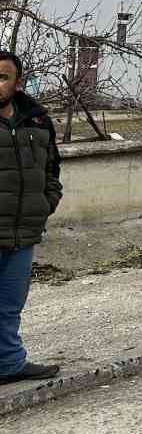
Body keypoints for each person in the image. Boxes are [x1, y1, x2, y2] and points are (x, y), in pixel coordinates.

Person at [0, 51, 63, 384]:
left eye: (2, 77)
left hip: (23, 231)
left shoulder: (37, 120)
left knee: (10, 305)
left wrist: (46, 202)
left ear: (17, 82)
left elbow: (52, 167)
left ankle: (9, 364)